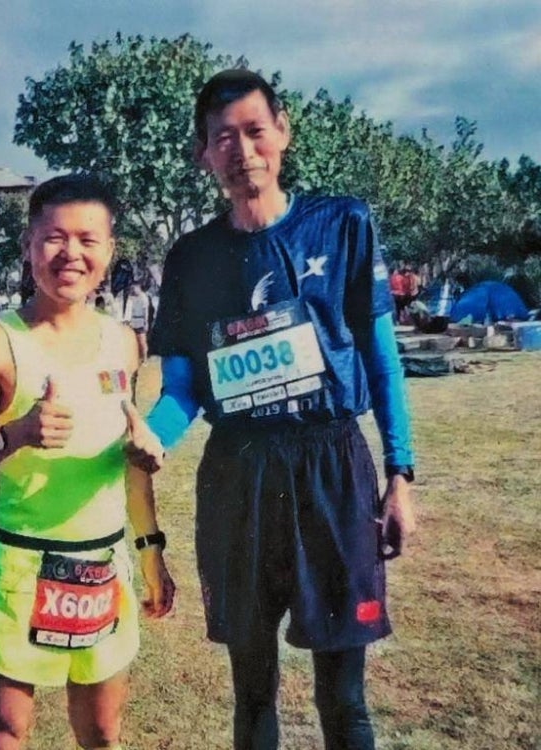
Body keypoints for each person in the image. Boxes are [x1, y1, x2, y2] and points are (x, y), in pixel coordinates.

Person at [132, 69, 416, 750]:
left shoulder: (343, 223)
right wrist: (153, 435)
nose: (242, 149)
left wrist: (400, 473)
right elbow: (183, 392)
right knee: (253, 694)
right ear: (203, 153)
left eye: (255, 130)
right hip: (240, 476)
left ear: (282, 132)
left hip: (333, 466)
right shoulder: (192, 257)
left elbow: (381, 359)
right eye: (222, 138)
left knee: (343, 699)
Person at [0, 174, 175, 750]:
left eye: (88, 240)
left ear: (109, 251)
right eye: (54, 238)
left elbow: (131, 467)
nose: (71, 253)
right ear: (28, 246)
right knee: (2, 733)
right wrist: (15, 433)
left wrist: (151, 556)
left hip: (103, 566)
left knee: (100, 732)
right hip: (22, 568)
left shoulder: (124, 342)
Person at [121, 282, 151, 362]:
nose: (133, 290)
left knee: (142, 341)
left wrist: (146, 322)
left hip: (141, 320)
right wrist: (126, 320)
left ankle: (144, 359)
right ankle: (135, 358)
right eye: (132, 288)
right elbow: (128, 309)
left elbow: (146, 311)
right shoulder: (131, 297)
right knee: (133, 342)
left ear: (138, 287)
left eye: (134, 288)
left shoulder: (144, 297)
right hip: (133, 321)